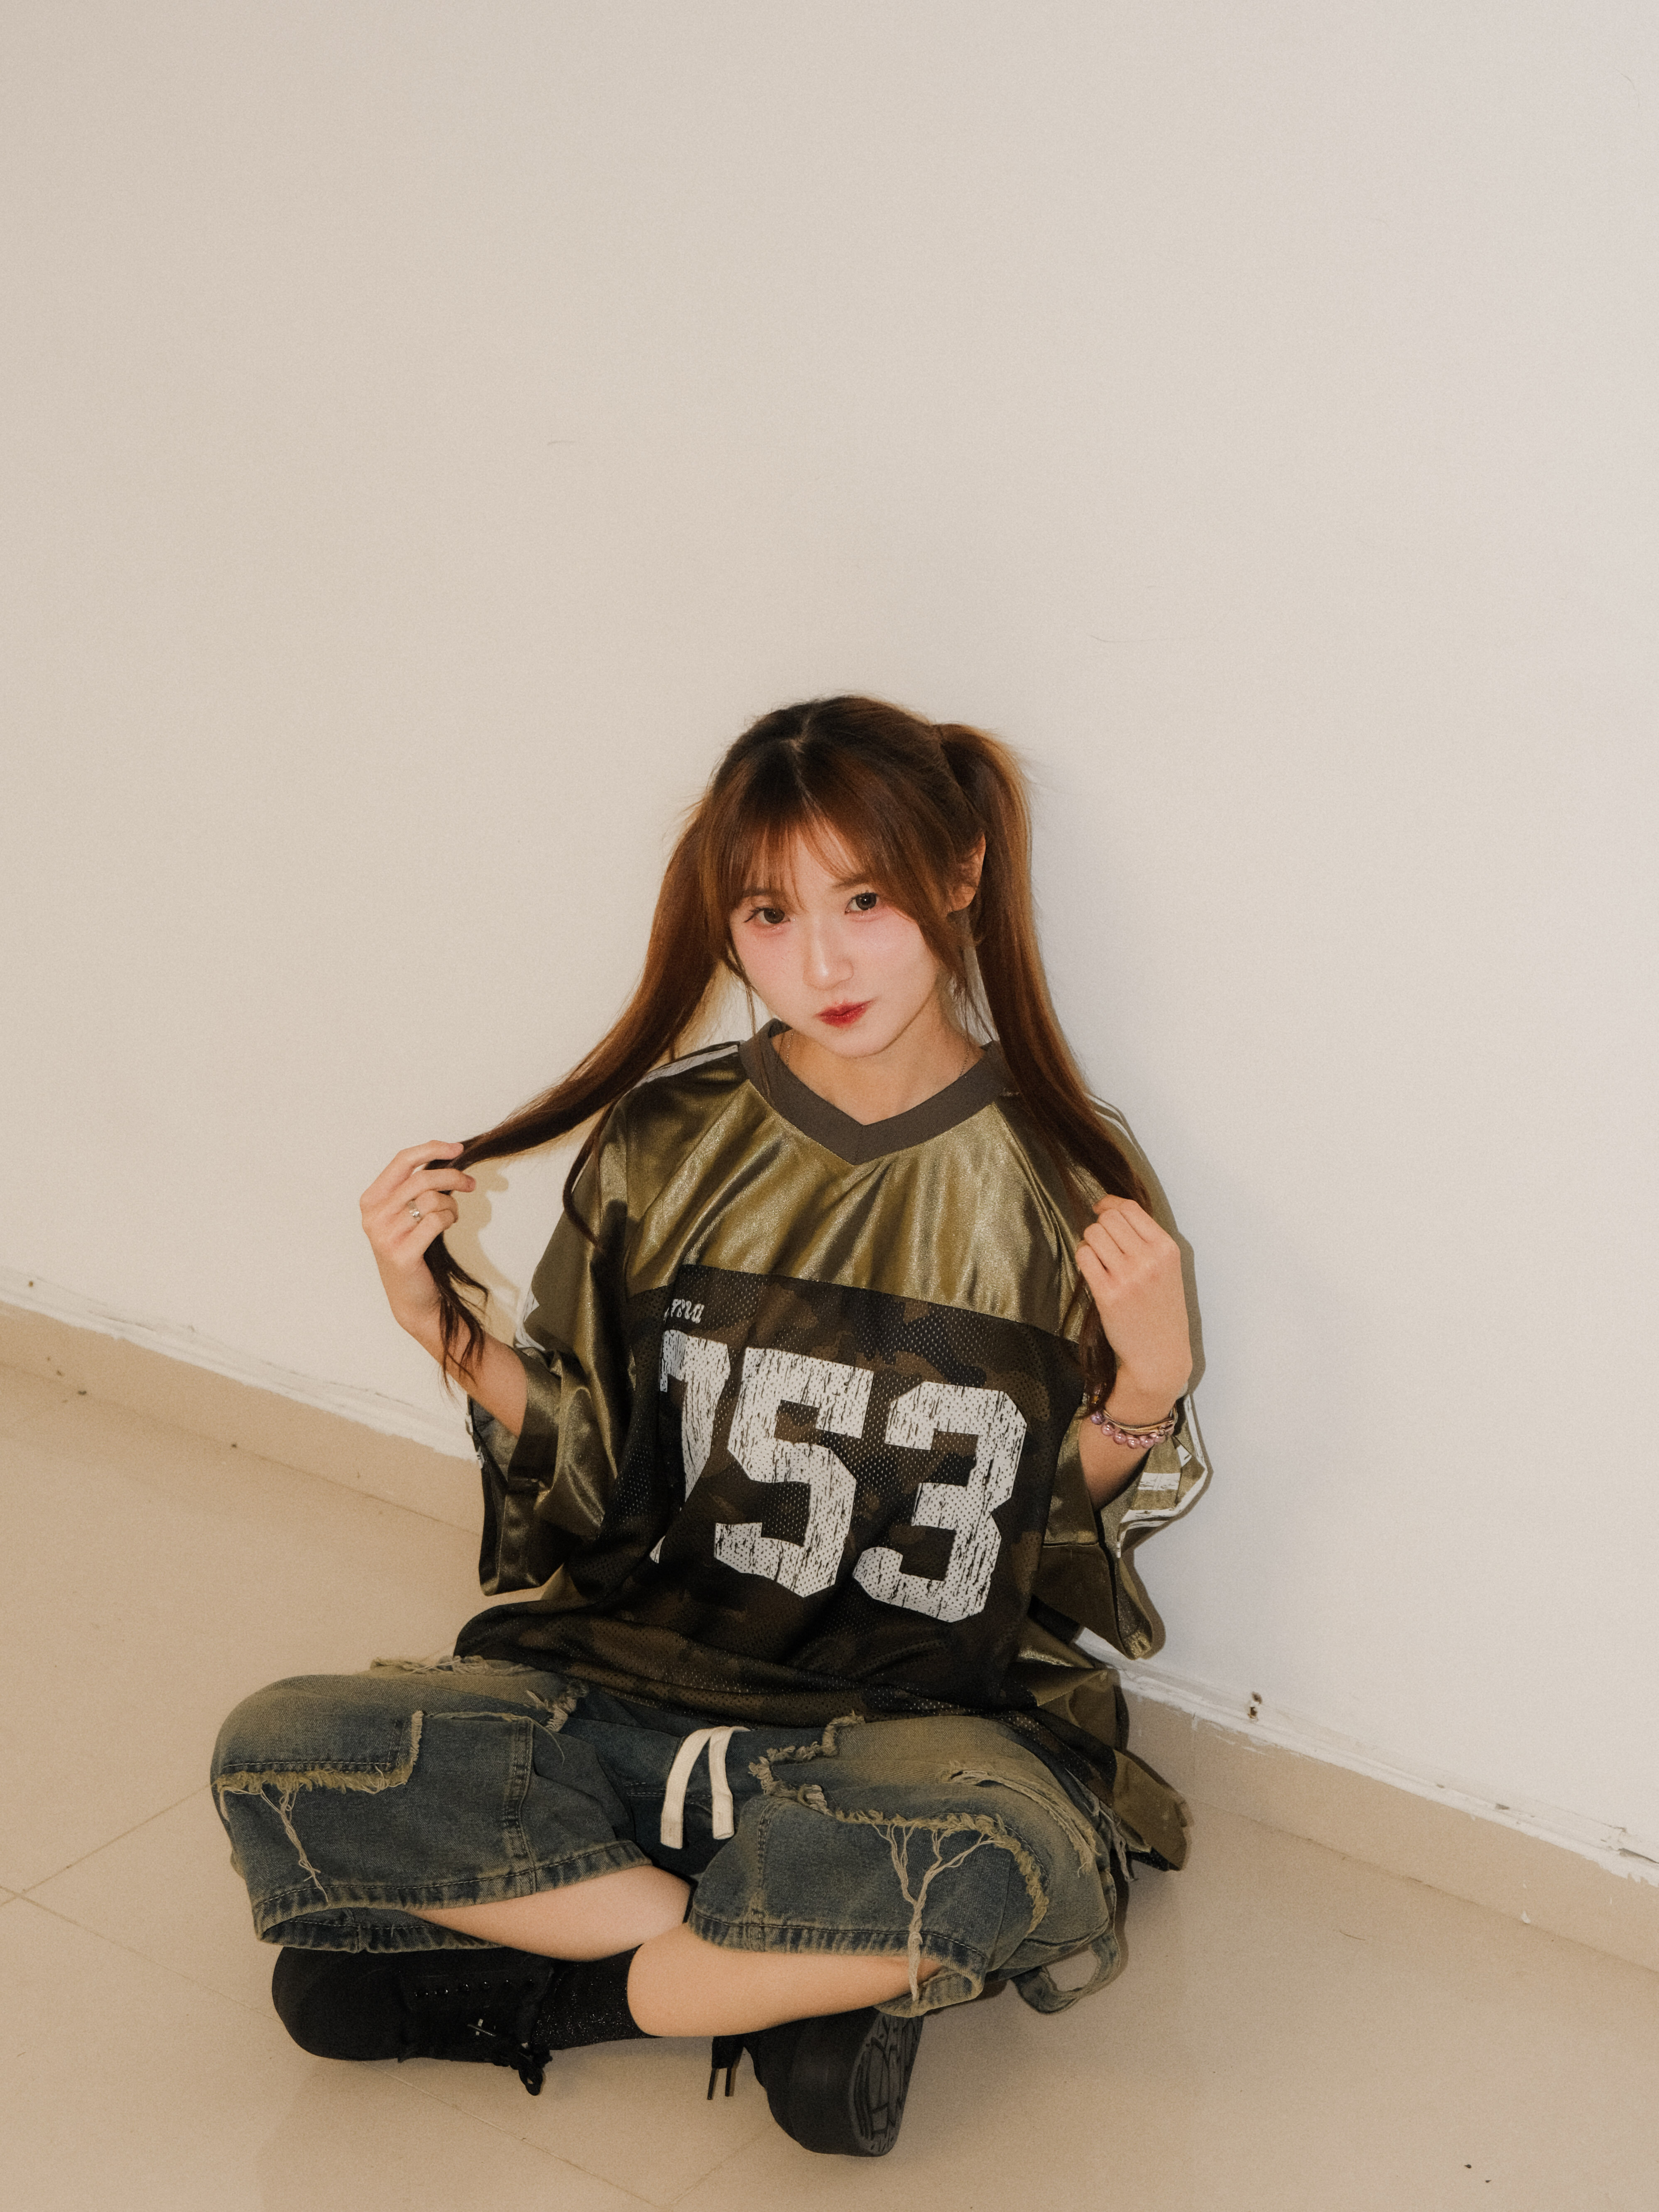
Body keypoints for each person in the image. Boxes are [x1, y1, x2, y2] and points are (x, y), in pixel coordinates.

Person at [212, 696, 1208, 2158]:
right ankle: (783, 1974)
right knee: (281, 1750)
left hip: (908, 1725)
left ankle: (562, 1990)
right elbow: (599, 1469)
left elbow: (1035, 1549)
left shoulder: (1065, 1175)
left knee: (1005, 1847)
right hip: (627, 1688)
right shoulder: (664, 1142)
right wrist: (441, 1329)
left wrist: (1145, 1387)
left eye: (863, 901)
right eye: (768, 914)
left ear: (960, 874)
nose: (820, 965)